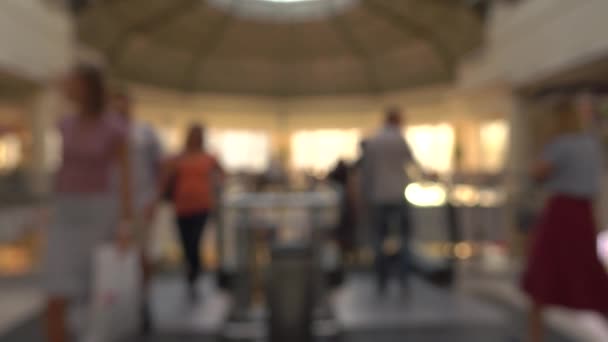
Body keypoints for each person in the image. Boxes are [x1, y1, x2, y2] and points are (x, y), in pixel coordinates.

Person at [44, 64, 132, 342]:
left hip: (98, 213)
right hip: (66, 212)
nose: (68, 87)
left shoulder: (113, 127)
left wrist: (125, 223)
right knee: (55, 295)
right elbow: (62, 167)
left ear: (88, 86)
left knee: (97, 296)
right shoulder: (65, 123)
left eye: (74, 82)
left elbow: (126, 179)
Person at [523, 98, 608, 342]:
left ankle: (534, 337)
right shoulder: (591, 145)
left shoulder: (559, 144)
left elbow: (538, 172)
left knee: (543, 274)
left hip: (562, 212)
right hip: (584, 213)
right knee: (587, 272)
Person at [109, 90, 163, 333]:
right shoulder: (106, 133)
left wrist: (154, 199)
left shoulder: (145, 133)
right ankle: (114, 303)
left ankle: (143, 301)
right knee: (112, 254)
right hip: (110, 206)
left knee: (142, 253)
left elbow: (160, 166)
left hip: (141, 204)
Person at [363, 107, 433, 295]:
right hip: (398, 195)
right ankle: (403, 278)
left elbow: (367, 172)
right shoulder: (399, 140)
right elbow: (413, 164)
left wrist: (368, 194)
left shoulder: (375, 141)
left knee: (380, 238)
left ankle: (381, 278)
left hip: (379, 196)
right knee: (403, 238)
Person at [161, 124, 223, 301]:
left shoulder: (209, 157)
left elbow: (221, 174)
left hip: (202, 206)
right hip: (181, 206)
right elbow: (166, 177)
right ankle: (191, 270)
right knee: (185, 243)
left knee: (195, 241)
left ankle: (194, 273)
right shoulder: (177, 157)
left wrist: (217, 190)